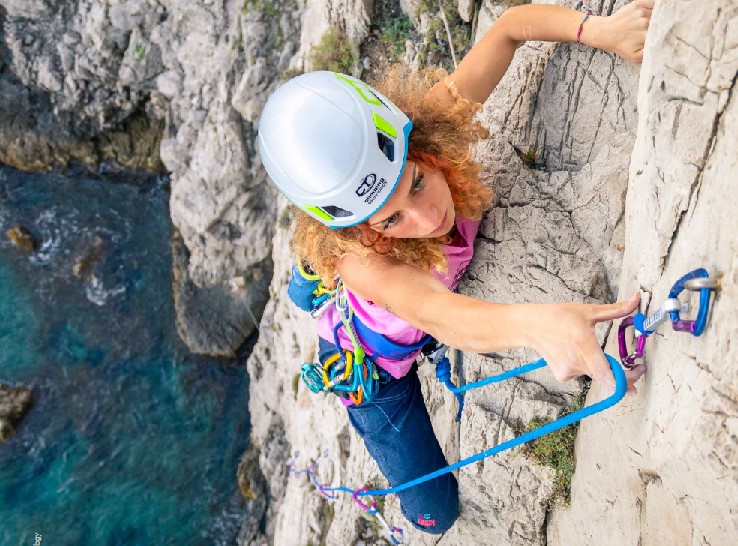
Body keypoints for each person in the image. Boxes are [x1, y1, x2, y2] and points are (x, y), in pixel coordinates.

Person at [257, 0, 653, 534]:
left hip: (373, 292)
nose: (426, 217)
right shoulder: (365, 263)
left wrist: (599, 29)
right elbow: (440, 315)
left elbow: (511, 28)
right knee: (435, 515)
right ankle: (311, 277)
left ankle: (309, 279)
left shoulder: (431, 124)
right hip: (374, 370)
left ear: (418, 146)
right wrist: (536, 325)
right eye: (392, 219)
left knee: (318, 280)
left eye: (417, 181)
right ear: (365, 233)